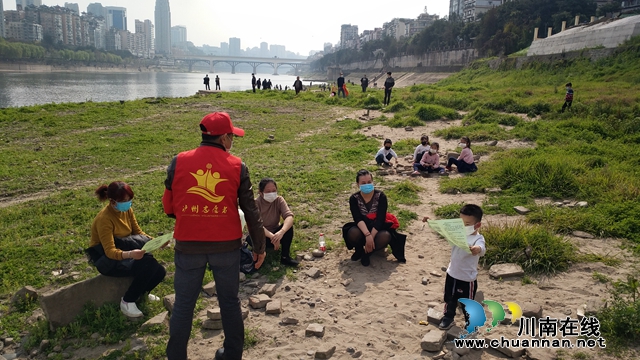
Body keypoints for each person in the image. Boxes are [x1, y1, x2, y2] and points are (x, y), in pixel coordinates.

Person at [163, 112, 267, 360]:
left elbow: (169, 207)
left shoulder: (178, 161)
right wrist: (260, 247)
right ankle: (231, 355)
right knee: (229, 302)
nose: (233, 141)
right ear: (223, 138)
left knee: (184, 305)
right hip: (226, 247)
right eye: (232, 136)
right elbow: (251, 211)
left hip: (188, 246)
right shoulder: (237, 165)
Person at [88, 181, 166, 318]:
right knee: (149, 264)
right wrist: (130, 254)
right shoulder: (104, 219)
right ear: (112, 201)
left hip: (125, 249)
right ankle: (127, 301)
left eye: (130, 200)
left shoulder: (127, 210)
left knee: (160, 272)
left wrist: (156, 242)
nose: (128, 203)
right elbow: (110, 251)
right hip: (107, 260)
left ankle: (141, 294)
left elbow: (138, 232)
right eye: (124, 201)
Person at [422, 204, 485, 330]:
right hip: (452, 273)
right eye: (460, 223)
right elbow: (442, 228)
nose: (463, 226)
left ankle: (471, 323)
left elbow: (482, 248)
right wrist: (429, 221)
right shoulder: (457, 233)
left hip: (467, 279)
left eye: (467, 224)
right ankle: (448, 317)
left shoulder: (478, 239)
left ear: (477, 225)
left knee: (467, 304)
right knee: (449, 298)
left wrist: (477, 249)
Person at [342, 169, 406, 266]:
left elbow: (380, 219)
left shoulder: (381, 196)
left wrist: (371, 236)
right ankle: (359, 250)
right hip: (362, 227)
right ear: (358, 184)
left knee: (385, 236)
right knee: (352, 232)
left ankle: (367, 254)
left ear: (372, 182)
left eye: (369, 182)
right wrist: (367, 235)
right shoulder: (354, 198)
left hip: (377, 227)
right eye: (363, 183)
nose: (367, 184)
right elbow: (357, 218)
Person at [246, 178, 299, 267]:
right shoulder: (255, 204)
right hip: (261, 235)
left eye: (274, 190)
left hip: (276, 233)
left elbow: (289, 216)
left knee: (288, 227)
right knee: (252, 237)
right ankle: (260, 255)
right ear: (261, 192)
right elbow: (256, 225)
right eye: (268, 191)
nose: (271, 193)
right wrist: (273, 237)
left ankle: (285, 257)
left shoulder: (279, 200)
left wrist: (281, 232)